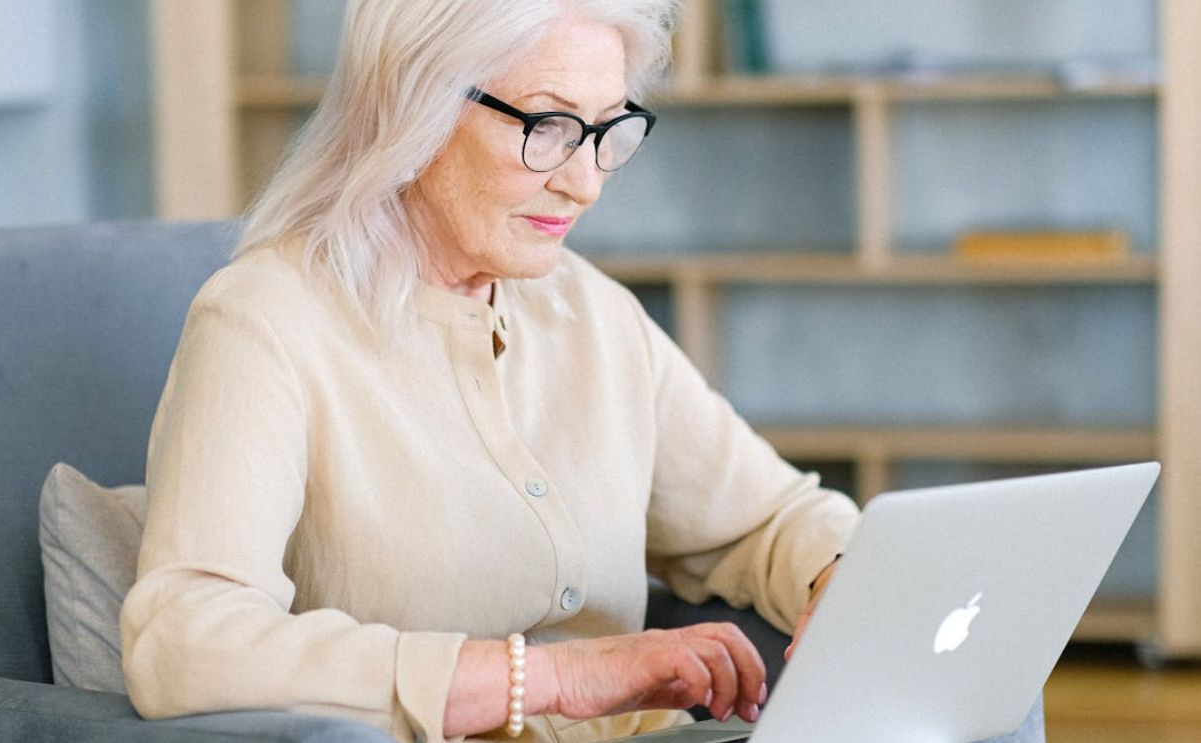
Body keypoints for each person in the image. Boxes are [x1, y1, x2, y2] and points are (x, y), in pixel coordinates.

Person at [121, 2, 1040, 742]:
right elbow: (184, 641)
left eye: (609, 132)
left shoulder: (589, 311)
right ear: (412, 108)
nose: (587, 182)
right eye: (550, 128)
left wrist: (844, 572)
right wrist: (557, 676)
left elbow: (764, 518)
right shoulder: (267, 321)